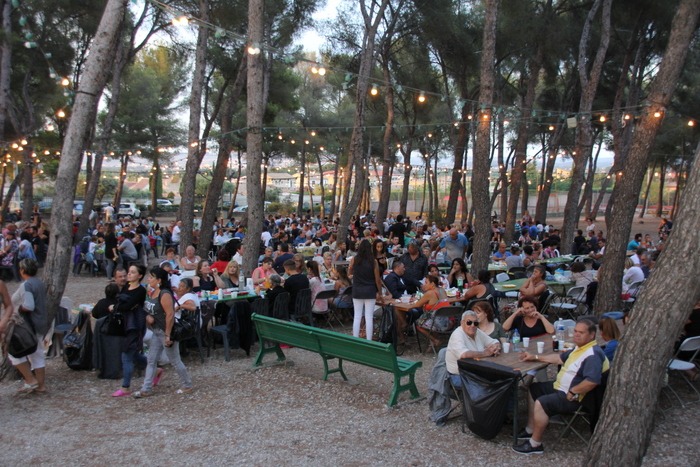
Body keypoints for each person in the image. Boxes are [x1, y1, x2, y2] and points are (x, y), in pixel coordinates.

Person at [513, 319, 609, 455]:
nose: (576, 335)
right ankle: (530, 429)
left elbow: (592, 381)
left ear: (592, 335)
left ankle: (535, 444)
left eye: (581, 332)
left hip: (578, 398)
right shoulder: (580, 348)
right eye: (575, 331)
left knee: (542, 402)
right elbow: (559, 359)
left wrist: (573, 390)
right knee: (534, 389)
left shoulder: (592, 354)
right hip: (561, 388)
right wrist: (534, 357)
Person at [133, 267, 193, 398]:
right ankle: (146, 388)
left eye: (151, 277)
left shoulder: (164, 294)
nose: (149, 279)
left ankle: (187, 384)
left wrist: (168, 335)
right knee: (151, 359)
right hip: (156, 331)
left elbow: (170, 314)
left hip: (166, 331)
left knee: (175, 360)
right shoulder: (152, 292)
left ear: (159, 280)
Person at [6, 259, 48, 394]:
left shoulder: (27, 285)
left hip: (29, 325)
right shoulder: (39, 283)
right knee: (37, 354)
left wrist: (19, 311)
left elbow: (29, 305)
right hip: (41, 323)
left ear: (23, 270)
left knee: (15, 354)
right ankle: (41, 386)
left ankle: (31, 380)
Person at [111, 264, 148, 397]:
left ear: (139, 275)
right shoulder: (127, 286)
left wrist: (116, 307)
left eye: (132, 272)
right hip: (124, 324)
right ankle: (153, 368)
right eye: (129, 272)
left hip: (135, 325)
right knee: (133, 353)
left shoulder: (140, 291)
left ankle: (126, 386)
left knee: (127, 355)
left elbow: (126, 305)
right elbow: (120, 303)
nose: (129, 275)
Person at [445, 310, 501, 387]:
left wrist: (496, 348)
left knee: (500, 378)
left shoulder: (477, 331)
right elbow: (464, 354)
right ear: (462, 323)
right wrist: (485, 353)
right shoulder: (457, 335)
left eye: (475, 323)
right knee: (489, 383)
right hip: (459, 375)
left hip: (476, 371)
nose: (472, 325)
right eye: (469, 322)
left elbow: (494, 341)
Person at [349, 239, 384, 340]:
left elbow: (350, 272)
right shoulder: (373, 262)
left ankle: (355, 339)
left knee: (357, 316)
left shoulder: (354, 259)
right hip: (370, 290)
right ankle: (369, 340)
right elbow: (377, 280)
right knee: (369, 317)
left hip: (357, 290)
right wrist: (380, 293)